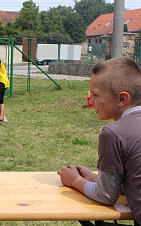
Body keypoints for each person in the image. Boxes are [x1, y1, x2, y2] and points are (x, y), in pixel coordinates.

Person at [57, 57, 141, 226]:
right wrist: (95, 179)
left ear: (122, 99)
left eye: (95, 95)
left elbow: (107, 196)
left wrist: (74, 181)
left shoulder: (113, 133)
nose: (91, 101)